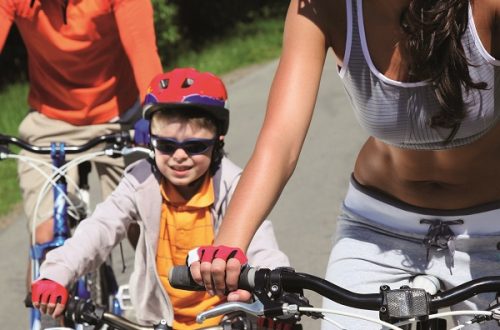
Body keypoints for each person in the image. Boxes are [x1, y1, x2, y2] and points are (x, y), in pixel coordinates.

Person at [188, 0, 500, 329]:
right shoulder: (322, 7)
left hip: (490, 228)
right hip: (375, 228)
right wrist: (228, 244)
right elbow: (281, 140)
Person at [30, 68, 290, 329]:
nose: (179, 156)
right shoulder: (141, 181)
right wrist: (55, 273)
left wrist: (276, 297)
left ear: (217, 140)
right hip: (158, 321)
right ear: (151, 140)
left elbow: (261, 243)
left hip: (226, 319)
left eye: (194, 147)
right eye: (166, 146)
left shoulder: (234, 185)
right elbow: (100, 228)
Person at [0, 0, 163, 245]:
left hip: (120, 117)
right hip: (50, 121)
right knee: (47, 236)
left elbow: (142, 49)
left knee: (143, 232)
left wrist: (156, 114)